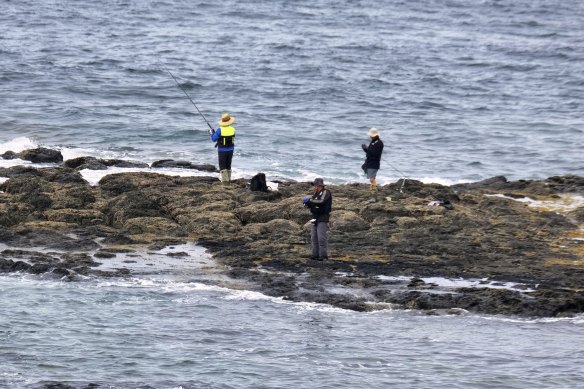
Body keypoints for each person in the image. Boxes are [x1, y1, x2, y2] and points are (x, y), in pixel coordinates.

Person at [303, 178, 333, 261]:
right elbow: (314, 203)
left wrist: (310, 200)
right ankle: (315, 255)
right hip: (314, 217)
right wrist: (307, 204)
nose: (314, 187)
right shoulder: (315, 193)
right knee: (314, 237)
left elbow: (321, 201)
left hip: (323, 217)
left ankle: (323, 256)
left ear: (319, 185)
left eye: (315, 185)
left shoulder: (326, 192)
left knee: (321, 238)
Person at [210, 113, 236, 183]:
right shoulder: (233, 129)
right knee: (228, 165)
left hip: (222, 150)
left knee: (222, 166)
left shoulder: (219, 130)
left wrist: (212, 133)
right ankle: (229, 179)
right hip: (231, 150)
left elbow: (213, 139)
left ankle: (225, 182)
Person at [361, 127, 384, 194]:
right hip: (370, 161)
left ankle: (374, 192)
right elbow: (371, 151)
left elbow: (375, 153)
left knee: (372, 179)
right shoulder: (374, 141)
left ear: (376, 135)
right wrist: (367, 149)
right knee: (372, 177)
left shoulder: (379, 143)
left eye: (372, 136)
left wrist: (366, 149)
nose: (371, 137)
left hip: (374, 163)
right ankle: (374, 188)